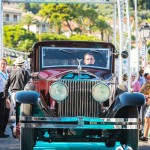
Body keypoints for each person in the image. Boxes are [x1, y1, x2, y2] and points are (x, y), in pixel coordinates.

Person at [3, 56, 30, 138]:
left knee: (16, 111)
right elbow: (28, 85)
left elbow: (6, 85)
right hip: (23, 93)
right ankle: (17, 128)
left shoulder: (11, 72)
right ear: (22, 64)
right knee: (23, 112)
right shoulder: (25, 72)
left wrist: (5, 96)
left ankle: (16, 127)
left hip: (13, 93)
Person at [0, 58, 9, 138]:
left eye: (4, 64)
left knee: (6, 114)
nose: (3, 65)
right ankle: (1, 132)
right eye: (1, 64)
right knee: (1, 114)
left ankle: (3, 130)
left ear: (6, 65)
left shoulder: (7, 74)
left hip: (6, 95)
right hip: (0, 95)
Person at [139, 74, 150, 141]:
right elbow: (141, 90)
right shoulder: (145, 84)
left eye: (149, 79)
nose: (148, 80)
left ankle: (145, 136)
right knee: (147, 117)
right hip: (146, 100)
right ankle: (145, 136)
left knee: (147, 117)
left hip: (148, 101)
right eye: (147, 78)